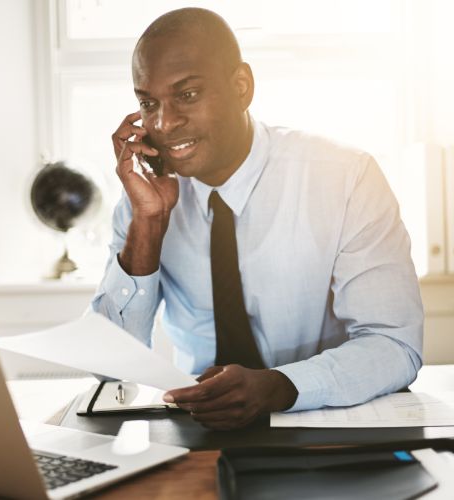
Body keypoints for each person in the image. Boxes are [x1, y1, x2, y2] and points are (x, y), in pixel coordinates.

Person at [91, 8, 423, 430]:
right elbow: (110, 367)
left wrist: (280, 386)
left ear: (242, 87)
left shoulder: (345, 177)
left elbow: (395, 345)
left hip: (328, 425)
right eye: (148, 103)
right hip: (199, 433)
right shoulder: (145, 199)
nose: (164, 123)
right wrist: (148, 224)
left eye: (187, 94)